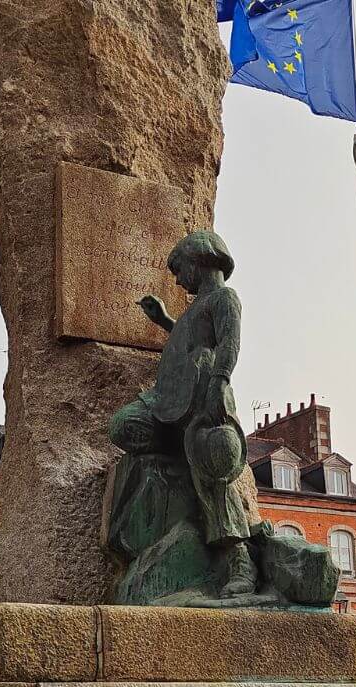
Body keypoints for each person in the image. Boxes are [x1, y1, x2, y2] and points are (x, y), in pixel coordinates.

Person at [111, 230, 254, 597]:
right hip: (167, 403)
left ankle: (239, 559)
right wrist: (165, 321)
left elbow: (229, 344)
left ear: (201, 258)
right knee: (124, 427)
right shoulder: (195, 307)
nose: (177, 279)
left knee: (213, 464)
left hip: (204, 395)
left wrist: (219, 384)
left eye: (180, 268)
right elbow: (190, 337)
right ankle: (171, 472)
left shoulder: (224, 298)